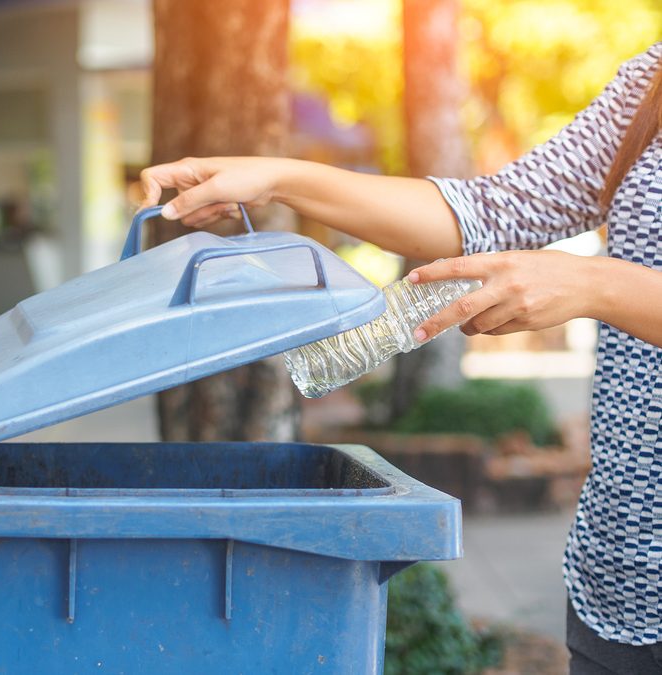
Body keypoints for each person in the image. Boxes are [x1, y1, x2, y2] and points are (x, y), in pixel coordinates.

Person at [139, 43, 662, 674]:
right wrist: (281, 178)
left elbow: (598, 282)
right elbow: (489, 213)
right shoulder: (651, 77)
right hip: (623, 583)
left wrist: (599, 286)